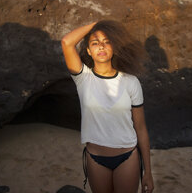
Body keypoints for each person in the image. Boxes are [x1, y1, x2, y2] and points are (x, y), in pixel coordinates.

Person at [61, 20, 154, 193]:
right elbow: (67, 42)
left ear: (114, 48)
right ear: (88, 51)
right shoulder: (83, 78)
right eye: (95, 43)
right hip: (95, 158)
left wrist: (147, 172)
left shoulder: (131, 82)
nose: (101, 47)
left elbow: (141, 128)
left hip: (127, 157)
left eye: (107, 42)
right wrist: (99, 23)